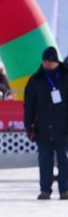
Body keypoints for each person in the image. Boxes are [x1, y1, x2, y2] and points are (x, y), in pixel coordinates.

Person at [24, 47, 68, 200]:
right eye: (45, 61)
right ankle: (45, 189)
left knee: (64, 160)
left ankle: (65, 190)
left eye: (50, 61)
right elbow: (28, 106)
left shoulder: (66, 77)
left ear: (56, 62)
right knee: (45, 160)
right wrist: (28, 126)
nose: (47, 64)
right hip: (42, 128)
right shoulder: (35, 80)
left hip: (63, 129)